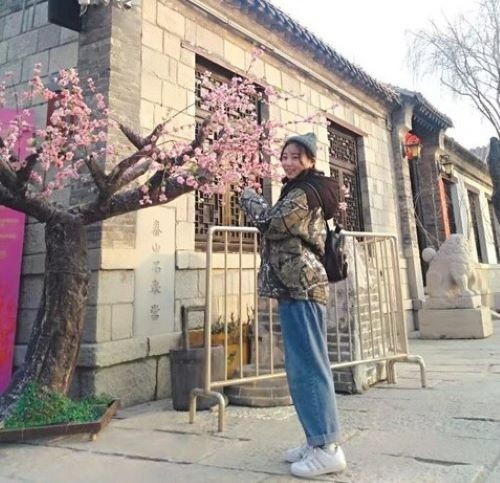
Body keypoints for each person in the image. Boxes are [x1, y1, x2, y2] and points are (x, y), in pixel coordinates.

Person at [240, 132, 347, 478]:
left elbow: (271, 224)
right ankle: (315, 440)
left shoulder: (304, 192)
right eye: (285, 156)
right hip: (294, 285)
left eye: (296, 157)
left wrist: (248, 196)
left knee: (309, 366)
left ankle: (327, 448)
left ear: (310, 161)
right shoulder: (300, 189)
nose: (288, 162)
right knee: (301, 366)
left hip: (302, 285)